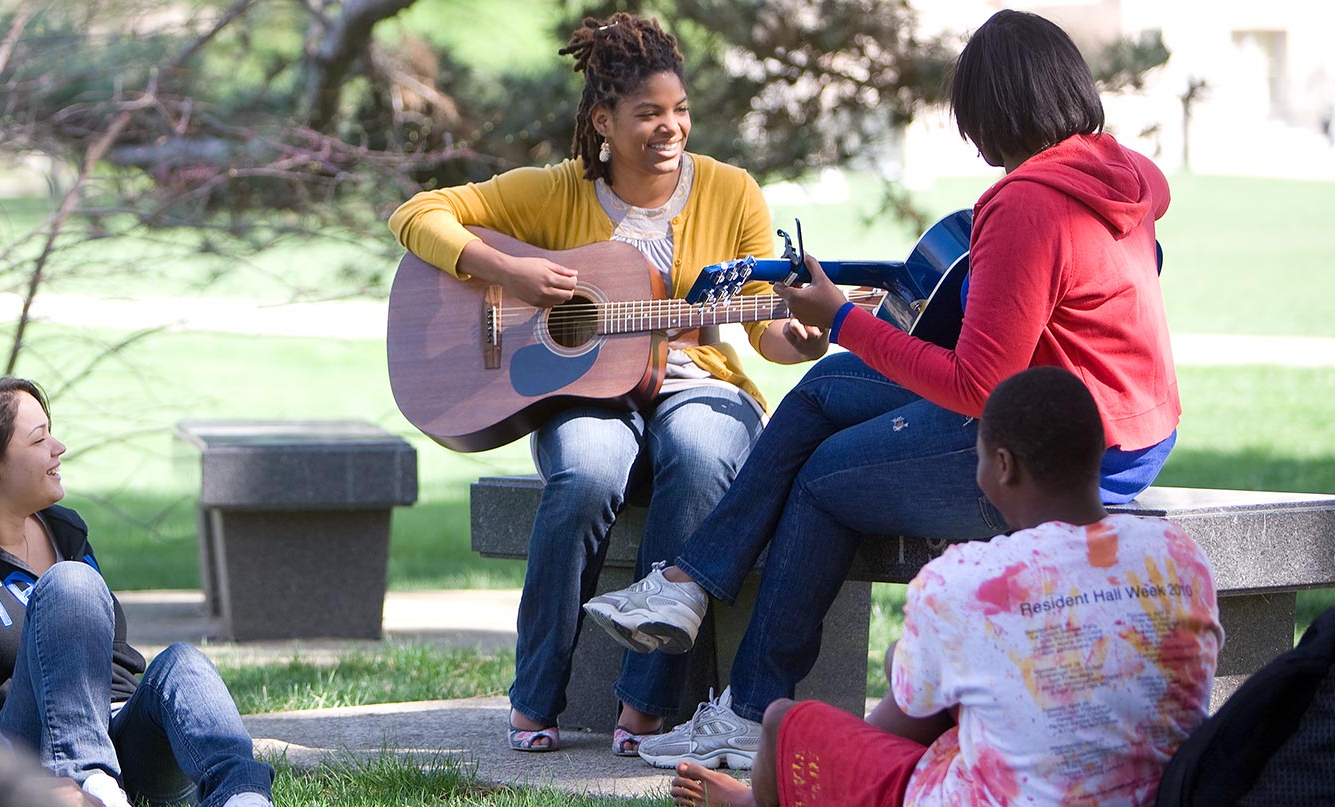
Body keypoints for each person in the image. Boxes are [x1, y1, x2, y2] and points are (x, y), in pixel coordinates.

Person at [589, 9, 1182, 772]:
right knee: (828, 385)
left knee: (825, 479)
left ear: (992, 113)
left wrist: (840, 317)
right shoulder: (1113, 174)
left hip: (1059, 460)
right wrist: (855, 330)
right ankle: (686, 585)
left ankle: (744, 707)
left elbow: (978, 385)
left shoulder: (1025, 204)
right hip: (1120, 427)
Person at [386, 12, 828, 755]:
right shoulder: (553, 192)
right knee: (587, 473)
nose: (671, 127)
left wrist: (805, 338)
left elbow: (766, 330)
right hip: (586, 392)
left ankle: (646, 705)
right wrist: (509, 270)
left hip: (698, 383)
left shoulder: (731, 191)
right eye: (649, 113)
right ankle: (535, 697)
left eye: (680, 111)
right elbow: (415, 212)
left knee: (699, 454)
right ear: (603, 119)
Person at [669, 367, 1222, 807]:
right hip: (1156, 792)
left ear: (1001, 466)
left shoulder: (967, 582)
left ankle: (751, 804)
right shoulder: (1177, 557)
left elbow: (891, 734)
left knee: (782, 723)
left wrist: (902, 671)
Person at [0, 378, 275, 807]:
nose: (58, 447)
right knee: (70, 583)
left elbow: (112, 665)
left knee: (183, 664)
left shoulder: (65, 529)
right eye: (40, 439)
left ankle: (243, 795)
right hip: (22, 764)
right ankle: (90, 782)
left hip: (123, 742)